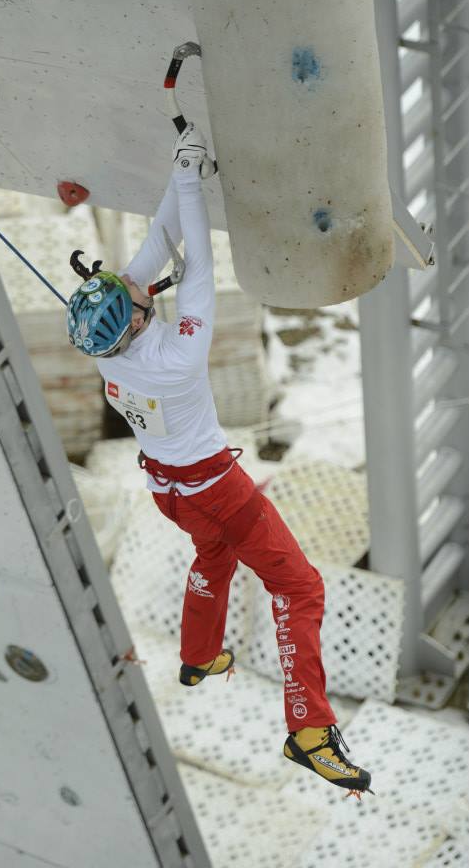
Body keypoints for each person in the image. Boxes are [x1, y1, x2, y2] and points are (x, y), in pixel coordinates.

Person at [66, 123, 372, 797]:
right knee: (299, 589)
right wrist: (186, 179)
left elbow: (156, 248)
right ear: (140, 320)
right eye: (138, 293)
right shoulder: (174, 360)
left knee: (213, 558)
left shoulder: (109, 346)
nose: (140, 284)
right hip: (217, 489)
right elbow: (197, 265)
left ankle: (199, 656)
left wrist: (185, 177)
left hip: (169, 492)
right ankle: (309, 732)